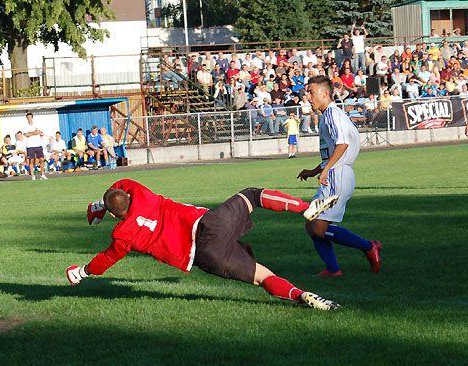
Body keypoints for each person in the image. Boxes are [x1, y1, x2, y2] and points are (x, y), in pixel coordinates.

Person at [67, 179, 340, 311]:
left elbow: (105, 260)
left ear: (116, 216)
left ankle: (301, 295)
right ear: (128, 196)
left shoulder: (123, 236)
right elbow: (122, 184)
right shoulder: (140, 194)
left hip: (204, 257)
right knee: (252, 195)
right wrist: (102, 204)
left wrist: (82, 272)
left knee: (263, 277)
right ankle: (306, 208)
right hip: (208, 227)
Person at [297, 75, 382, 277]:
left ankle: (369, 246)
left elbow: (342, 145)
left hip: (338, 175)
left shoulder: (333, 114)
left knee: (317, 227)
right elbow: (333, 150)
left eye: (311, 92)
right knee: (311, 225)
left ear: (325, 93)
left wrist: (326, 170)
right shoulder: (327, 115)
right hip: (335, 172)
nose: (308, 97)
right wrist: (315, 170)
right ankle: (334, 270)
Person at [23, 112, 47, 180]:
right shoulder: (25, 126)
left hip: (38, 144)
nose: (29, 119)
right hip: (30, 145)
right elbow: (26, 135)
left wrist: (31, 133)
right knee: (31, 160)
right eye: (28, 118)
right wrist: (34, 132)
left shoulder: (37, 124)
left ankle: (42, 174)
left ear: (32, 117)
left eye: (30, 117)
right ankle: (33, 175)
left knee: (41, 159)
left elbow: (38, 132)